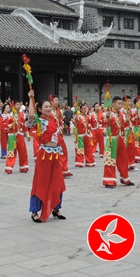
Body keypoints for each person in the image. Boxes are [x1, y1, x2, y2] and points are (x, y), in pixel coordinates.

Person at [27, 90, 66, 223]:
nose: (48, 108)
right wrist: (30, 98)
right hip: (44, 156)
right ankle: (34, 211)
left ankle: (56, 208)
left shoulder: (54, 120)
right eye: (46, 107)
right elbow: (31, 115)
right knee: (41, 183)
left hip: (55, 155)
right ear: (40, 109)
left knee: (58, 182)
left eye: (49, 106)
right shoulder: (39, 122)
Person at [102, 96, 134, 188]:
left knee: (123, 159)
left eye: (121, 104)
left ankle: (125, 179)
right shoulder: (109, 113)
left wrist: (127, 120)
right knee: (110, 160)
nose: (120, 105)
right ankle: (109, 181)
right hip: (112, 140)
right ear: (113, 104)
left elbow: (125, 125)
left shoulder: (121, 114)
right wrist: (107, 116)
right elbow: (105, 120)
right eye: (118, 103)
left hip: (120, 138)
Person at [73, 102, 95, 168]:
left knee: (89, 149)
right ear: (80, 109)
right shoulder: (78, 116)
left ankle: (89, 161)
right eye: (83, 108)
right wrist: (75, 118)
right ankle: (79, 162)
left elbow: (92, 124)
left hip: (87, 134)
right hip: (80, 135)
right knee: (80, 149)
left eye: (86, 108)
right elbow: (75, 123)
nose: (85, 110)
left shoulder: (88, 117)